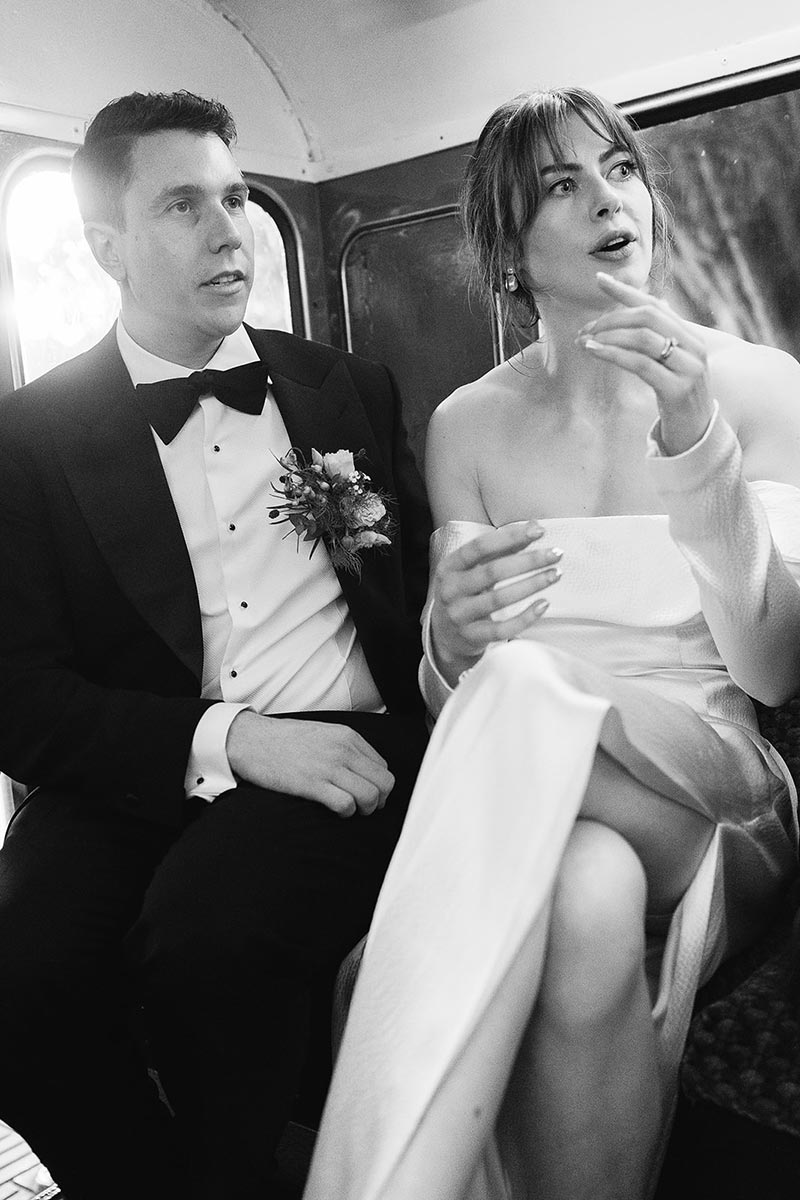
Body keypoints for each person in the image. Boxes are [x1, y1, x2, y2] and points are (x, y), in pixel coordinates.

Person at [302, 87, 800, 1200]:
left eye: (619, 169)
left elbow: (771, 667)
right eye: (560, 186)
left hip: (715, 800)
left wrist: (697, 446)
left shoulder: (759, 388)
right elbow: (459, 691)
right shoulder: (467, 424)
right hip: (562, 814)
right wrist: (448, 639)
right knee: (582, 897)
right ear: (504, 246)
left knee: (525, 682)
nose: (608, 200)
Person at [0, 90, 431, 1200]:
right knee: (15, 976)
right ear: (107, 246)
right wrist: (228, 740)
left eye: (236, 197)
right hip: (132, 765)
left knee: (208, 948)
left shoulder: (350, 389)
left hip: (338, 748)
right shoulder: (29, 440)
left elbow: (417, 599)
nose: (229, 228)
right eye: (183, 206)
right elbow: (17, 695)